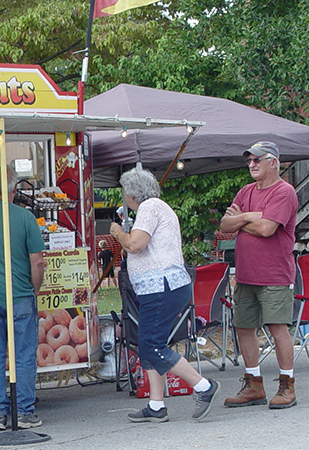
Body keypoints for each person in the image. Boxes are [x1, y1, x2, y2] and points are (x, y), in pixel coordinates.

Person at [109, 167, 220, 422]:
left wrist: (117, 232)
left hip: (161, 285)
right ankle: (156, 405)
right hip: (161, 286)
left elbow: (135, 244)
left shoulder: (150, 208)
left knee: (150, 345)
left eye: (124, 192)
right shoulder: (158, 208)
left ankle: (204, 386)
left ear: (131, 193)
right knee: (151, 342)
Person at [220, 141, 298, 409]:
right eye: (249, 161)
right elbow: (224, 224)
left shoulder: (284, 192)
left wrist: (242, 220)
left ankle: (287, 385)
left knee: (278, 329)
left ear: (273, 162)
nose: (251, 164)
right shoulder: (246, 191)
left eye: (257, 160)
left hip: (275, 274)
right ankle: (254, 384)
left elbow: (267, 229)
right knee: (244, 327)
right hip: (245, 275)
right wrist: (250, 217)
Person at [0, 166, 45, 431]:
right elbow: (37, 262)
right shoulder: (25, 218)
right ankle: (24, 412)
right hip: (19, 294)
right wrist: (34, 290)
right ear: (15, 189)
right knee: (23, 355)